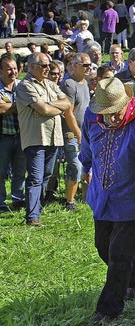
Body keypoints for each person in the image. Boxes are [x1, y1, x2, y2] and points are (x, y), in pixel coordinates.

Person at [80, 77, 135, 323]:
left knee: (119, 254)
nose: (112, 117)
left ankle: (108, 309)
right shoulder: (91, 117)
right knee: (103, 247)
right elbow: (86, 145)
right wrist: (85, 167)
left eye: (116, 112)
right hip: (103, 196)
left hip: (133, 196)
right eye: (107, 113)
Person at [15, 52, 71, 226]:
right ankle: (32, 217)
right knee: (35, 178)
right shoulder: (25, 86)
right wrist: (54, 106)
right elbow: (44, 110)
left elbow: (67, 102)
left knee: (46, 176)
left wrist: (48, 104)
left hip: (53, 137)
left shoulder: (49, 84)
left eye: (48, 65)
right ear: (32, 67)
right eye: (44, 65)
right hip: (36, 138)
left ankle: (36, 209)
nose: (48, 68)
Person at [59, 53, 92, 211]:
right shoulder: (69, 84)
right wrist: (78, 134)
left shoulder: (84, 83)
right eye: (85, 65)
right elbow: (68, 112)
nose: (88, 68)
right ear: (75, 65)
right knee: (75, 165)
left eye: (89, 65)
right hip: (71, 133)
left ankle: (86, 197)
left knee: (86, 165)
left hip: (85, 132)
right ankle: (69, 201)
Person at [0, 54, 26, 212]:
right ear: (0, 71)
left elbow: (5, 107)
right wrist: (21, 105)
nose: (13, 72)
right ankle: (1, 203)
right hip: (2, 136)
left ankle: (17, 199)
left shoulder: (22, 86)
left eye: (15, 68)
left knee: (20, 170)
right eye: (8, 69)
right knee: (0, 171)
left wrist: (7, 106)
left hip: (21, 135)